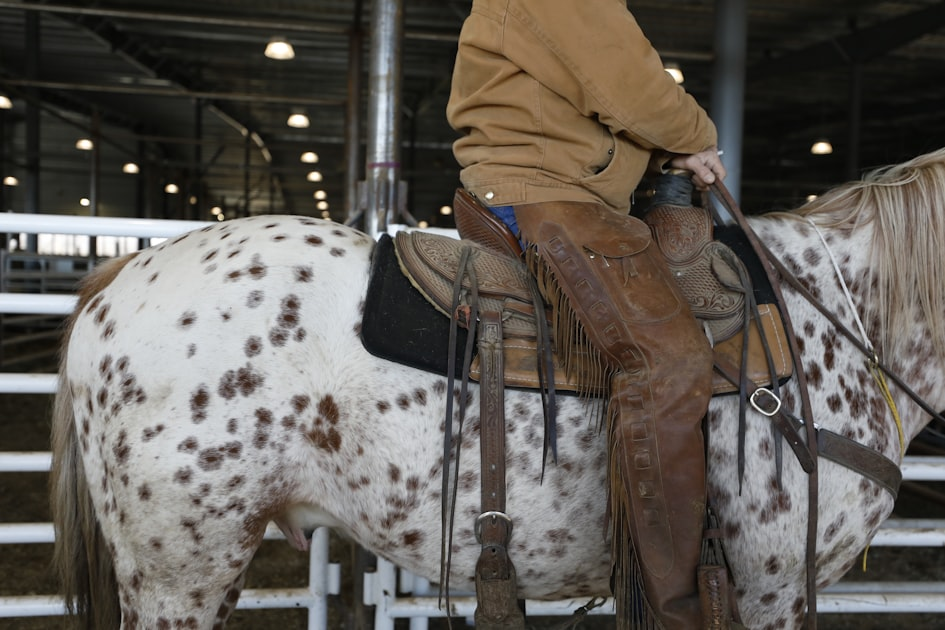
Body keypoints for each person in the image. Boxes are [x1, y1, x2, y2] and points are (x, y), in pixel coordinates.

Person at [446, 0, 728, 628]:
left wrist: (662, 156)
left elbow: (578, 101)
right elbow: (625, 82)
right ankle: (670, 614)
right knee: (669, 362)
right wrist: (696, 136)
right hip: (547, 191)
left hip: (568, 184)